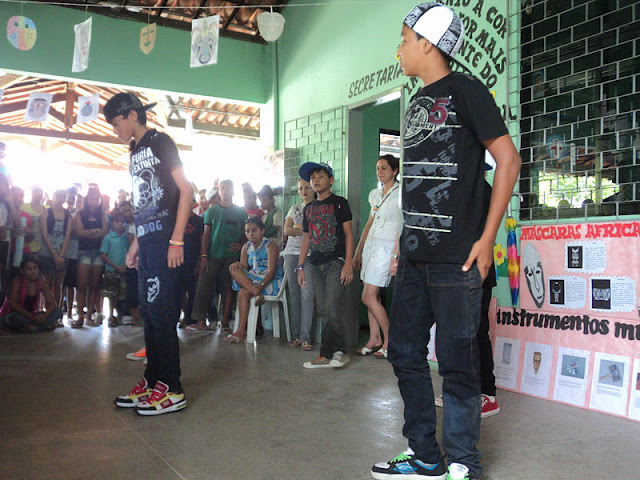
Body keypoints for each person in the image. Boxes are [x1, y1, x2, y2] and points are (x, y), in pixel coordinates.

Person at [370, 5, 521, 480]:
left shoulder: (467, 91)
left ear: (428, 43)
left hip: (458, 258)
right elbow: (417, 183)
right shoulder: (416, 102)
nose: (398, 50)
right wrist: (403, 244)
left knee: (458, 365)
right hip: (415, 256)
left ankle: (463, 463)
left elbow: (509, 161)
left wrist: (487, 239)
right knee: (404, 353)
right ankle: (425, 456)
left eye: (404, 39)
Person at [106, 91, 192, 416]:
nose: (115, 130)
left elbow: (186, 190)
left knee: (163, 315)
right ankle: (153, 380)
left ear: (132, 115)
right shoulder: (135, 151)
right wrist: (136, 243)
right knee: (149, 314)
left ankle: (172, 388)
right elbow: (144, 205)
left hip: (167, 243)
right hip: (148, 243)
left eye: (116, 123)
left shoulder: (160, 142)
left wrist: (177, 240)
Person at [297, 162, 354, 369]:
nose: (316, 180)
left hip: (336, 262)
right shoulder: (308, 209)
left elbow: (348, 234)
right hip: (314, 264)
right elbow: (306, 238)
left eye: (320, 176)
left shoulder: (340, 203)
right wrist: (300, 267)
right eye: (313, 177)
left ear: (331, 180)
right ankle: (325, 354)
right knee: (322, 310)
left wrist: (348, 264)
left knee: (332, 307)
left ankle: (339, 352)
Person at [353, 155, 401, 359]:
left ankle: (391, 341)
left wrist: (395, 255)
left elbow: (401, 228)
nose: (380, 172)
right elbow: (369, 224)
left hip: (386, 250)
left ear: (395, 171)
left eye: (384, 168)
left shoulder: (400, 194)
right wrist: (358, 250)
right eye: (378, 168)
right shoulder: (375, 194)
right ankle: (374, 338)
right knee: (373, 296)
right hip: (371, 248)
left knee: (368, 296)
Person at [191, 179, 247, 332]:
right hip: (212, 255)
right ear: (219, 191)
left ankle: (225, 321)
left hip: (232, 256)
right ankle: (200, 321)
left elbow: (247, 232)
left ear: (233, 191)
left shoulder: (241, 213)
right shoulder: (211, 212)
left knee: (228, 288)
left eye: (228, 188)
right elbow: (206, 235)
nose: (225, 191)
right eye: (222, 188)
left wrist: (241, 245)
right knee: (203, 285)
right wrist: (203, 256)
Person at [223, 216, 283, 343]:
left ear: (262, 231)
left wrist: (260, 286)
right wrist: (238, 265)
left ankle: (240, 332)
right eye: (247, 231)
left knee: (243, 291)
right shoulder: (246, 246)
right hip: (253, 280)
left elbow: (271, 271)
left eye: (254, 230)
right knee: (233, 269)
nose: (250, 234)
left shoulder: (271, 245)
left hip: (269, 281)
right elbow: (244, 266)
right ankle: (241, 330)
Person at [282, 178, 315, 350]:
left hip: (310, 255)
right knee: (294, 295)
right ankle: (296, 336)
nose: (304, 191)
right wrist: (305, 228)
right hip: (291, 254)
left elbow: (315, 232)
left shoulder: (317, 207)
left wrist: (299, 227)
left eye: (307, 187)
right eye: (301, 188)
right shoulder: (294, 208)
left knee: (307, 294)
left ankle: (306, 337)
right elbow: (286, 231)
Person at [72, 186, 108, 328]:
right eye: (91, 198)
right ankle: (80, 316)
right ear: (87, 199)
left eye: (96, 198)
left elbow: (105, 231)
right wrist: (95, 231)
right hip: (84, 251)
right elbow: (79, 232)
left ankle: (89, 317)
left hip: (98, 252)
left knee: (94, 286)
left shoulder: (102, 213)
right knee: (81, 285)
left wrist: (89, 232)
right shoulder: (80, 213)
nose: (94, 201)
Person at [0, 257, 63, 333]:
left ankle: (33, 328)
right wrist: (33, 317)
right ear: (22, 271)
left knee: (58, 311)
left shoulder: (40, 281)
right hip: (15, 315)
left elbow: (52, 303)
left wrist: (44, 316)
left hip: (31, 316)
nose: (33, 271)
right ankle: (43, 326)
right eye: (29, 269)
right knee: (14, 318)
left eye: (35, 268)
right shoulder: (17, 281)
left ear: (38, 270)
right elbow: (13, 305)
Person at [39, 189, 72, 307]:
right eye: (58, 195)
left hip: (62, 253)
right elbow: (44, 235)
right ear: (54, 196)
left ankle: (57, 310)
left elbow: (67, 236)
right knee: (47, 284)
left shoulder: (68, 215)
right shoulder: (46, 213)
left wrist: (61, 255)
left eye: (63, 196)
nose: (61, 198)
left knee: (58, 283)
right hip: (47, 252)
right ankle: (46, 309)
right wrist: (54, 254)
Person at [100, 212, 129, 327]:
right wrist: (115, 266)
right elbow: (103, 254)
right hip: (111, 270)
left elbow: (128, 252)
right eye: (117, 221)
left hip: (123, 270)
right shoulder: (108, 238)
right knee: (112, 294)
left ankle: (119, 315)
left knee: (121, 294)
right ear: (112, 223)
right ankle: (111, 315)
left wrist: (125, 265)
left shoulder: (125, 238)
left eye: (122, 222)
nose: (120, 224)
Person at [62, 187, 79, 320]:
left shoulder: (78, 213)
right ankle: (58, 310)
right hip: (60, 252)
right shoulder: (60, 212)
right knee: (59, 284)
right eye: (69, 196)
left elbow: (76, 232)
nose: (71, 199)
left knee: (71, 284)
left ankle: (69, 312)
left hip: (73, 252)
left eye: (74, 197)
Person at [21, 185, 45, 257]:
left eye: (41, 191)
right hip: (25, 247)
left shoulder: (47, 208)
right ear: (31, 193)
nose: (39, 192)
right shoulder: (23, 206)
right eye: (35, 191)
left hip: (43, 248)